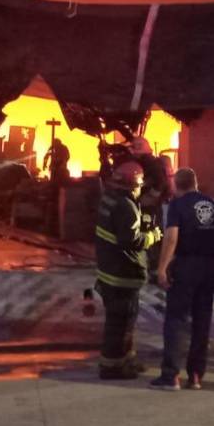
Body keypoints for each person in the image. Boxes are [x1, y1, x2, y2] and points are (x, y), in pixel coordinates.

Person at [149, 168, 214, 391]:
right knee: (202, 321)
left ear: (176, 185)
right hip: (209, 266)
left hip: (186, 266)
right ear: (195, 183)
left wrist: (162, 268)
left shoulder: (178, 205)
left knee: (176, 320)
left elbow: (171, 238)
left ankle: (171, 375)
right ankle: (195, 375)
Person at [94, 160, 162, 380]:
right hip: (122, 274)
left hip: (110, 271)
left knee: (122, 323)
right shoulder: (125, 206)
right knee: (120, 324)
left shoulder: (110, 199)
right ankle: (112, 367)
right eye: (139, 186)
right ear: (133, 185)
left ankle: (127, 359)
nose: (140, 189)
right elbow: (131, 240)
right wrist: (152, 236)